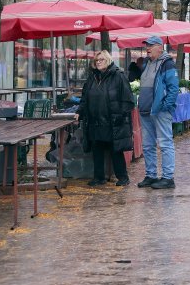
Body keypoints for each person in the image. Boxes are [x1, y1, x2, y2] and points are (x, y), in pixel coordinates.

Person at [75, 50, 135, 186]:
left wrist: (121, 116)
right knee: (97, 149)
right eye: (96, 60)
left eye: (101, 59)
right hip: (95, 121)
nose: (98, 62)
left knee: (115, 149)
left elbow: (128, 99)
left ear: (108, 60)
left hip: (112, 120)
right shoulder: (92, 77)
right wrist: (80, 111)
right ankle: (99, 177)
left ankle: (123, 177)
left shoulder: (118, 76)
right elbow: (85, 98)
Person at [137, 36, 180, 189]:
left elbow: (174, 88)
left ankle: (168, 178)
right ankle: (151, 175)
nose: (147, 48)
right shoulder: (147, 63)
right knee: (148, 145)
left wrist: (164, 106)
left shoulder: (167, 64)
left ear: (160, 47)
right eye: (146, 45)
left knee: (165, 143)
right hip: (145, 110)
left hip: (159, 111)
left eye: (151, 45)